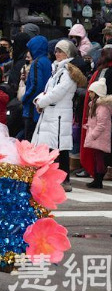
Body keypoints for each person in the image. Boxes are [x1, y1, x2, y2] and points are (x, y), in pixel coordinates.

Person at [33, 40, 87, 192]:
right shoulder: (57, 71)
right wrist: (39, 100)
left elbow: (58, 93)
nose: (56, 53)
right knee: (51, 147)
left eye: (60, 51)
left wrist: (41, 102)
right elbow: (49, 91)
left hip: (59, 116)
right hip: (52, 114)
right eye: (56, 51)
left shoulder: (67, 73)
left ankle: (64, 180)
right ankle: (51, 178)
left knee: (60, 148)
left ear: (67, 54)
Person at [22, 35, 53, 140]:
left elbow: (36, 85)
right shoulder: (48, 62)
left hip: (33, 107)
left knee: (30, 140)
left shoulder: (36, 62)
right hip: (43, 106)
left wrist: (25, 98)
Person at [83, 80, 111, 189]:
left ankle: (98, 180)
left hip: (99, 137)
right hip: (97, 136)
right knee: (97, 158)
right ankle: (97, 179)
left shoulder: (102, 108)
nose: (89, 94)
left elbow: (101, 125)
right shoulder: (96, 106)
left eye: (91, 92)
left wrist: (93, 135)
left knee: (99, 159)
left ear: (97, 93)